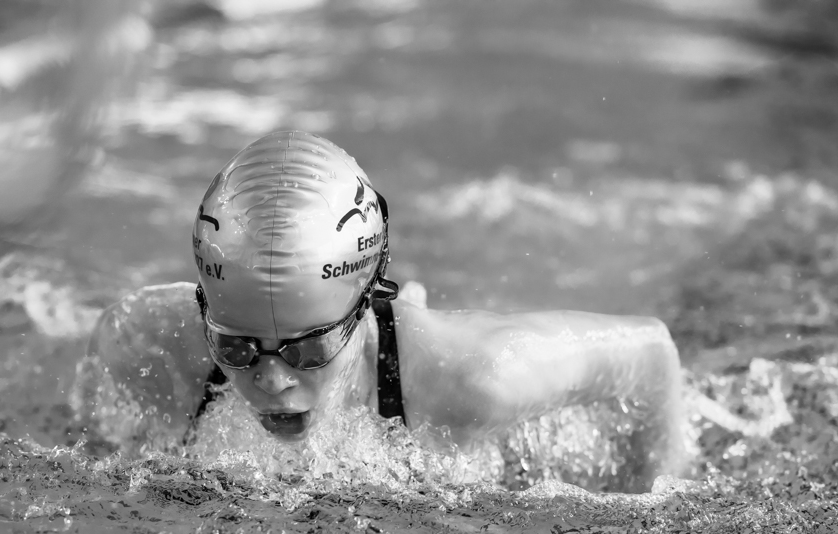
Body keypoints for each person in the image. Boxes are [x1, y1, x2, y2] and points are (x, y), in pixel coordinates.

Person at [74, 130, 692, 490]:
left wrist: (654, 505)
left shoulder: (476, 378)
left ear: (364, 305)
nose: (271, 379)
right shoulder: (145, 344)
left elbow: (651, 353)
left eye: (307, 348)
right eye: (236, 346)